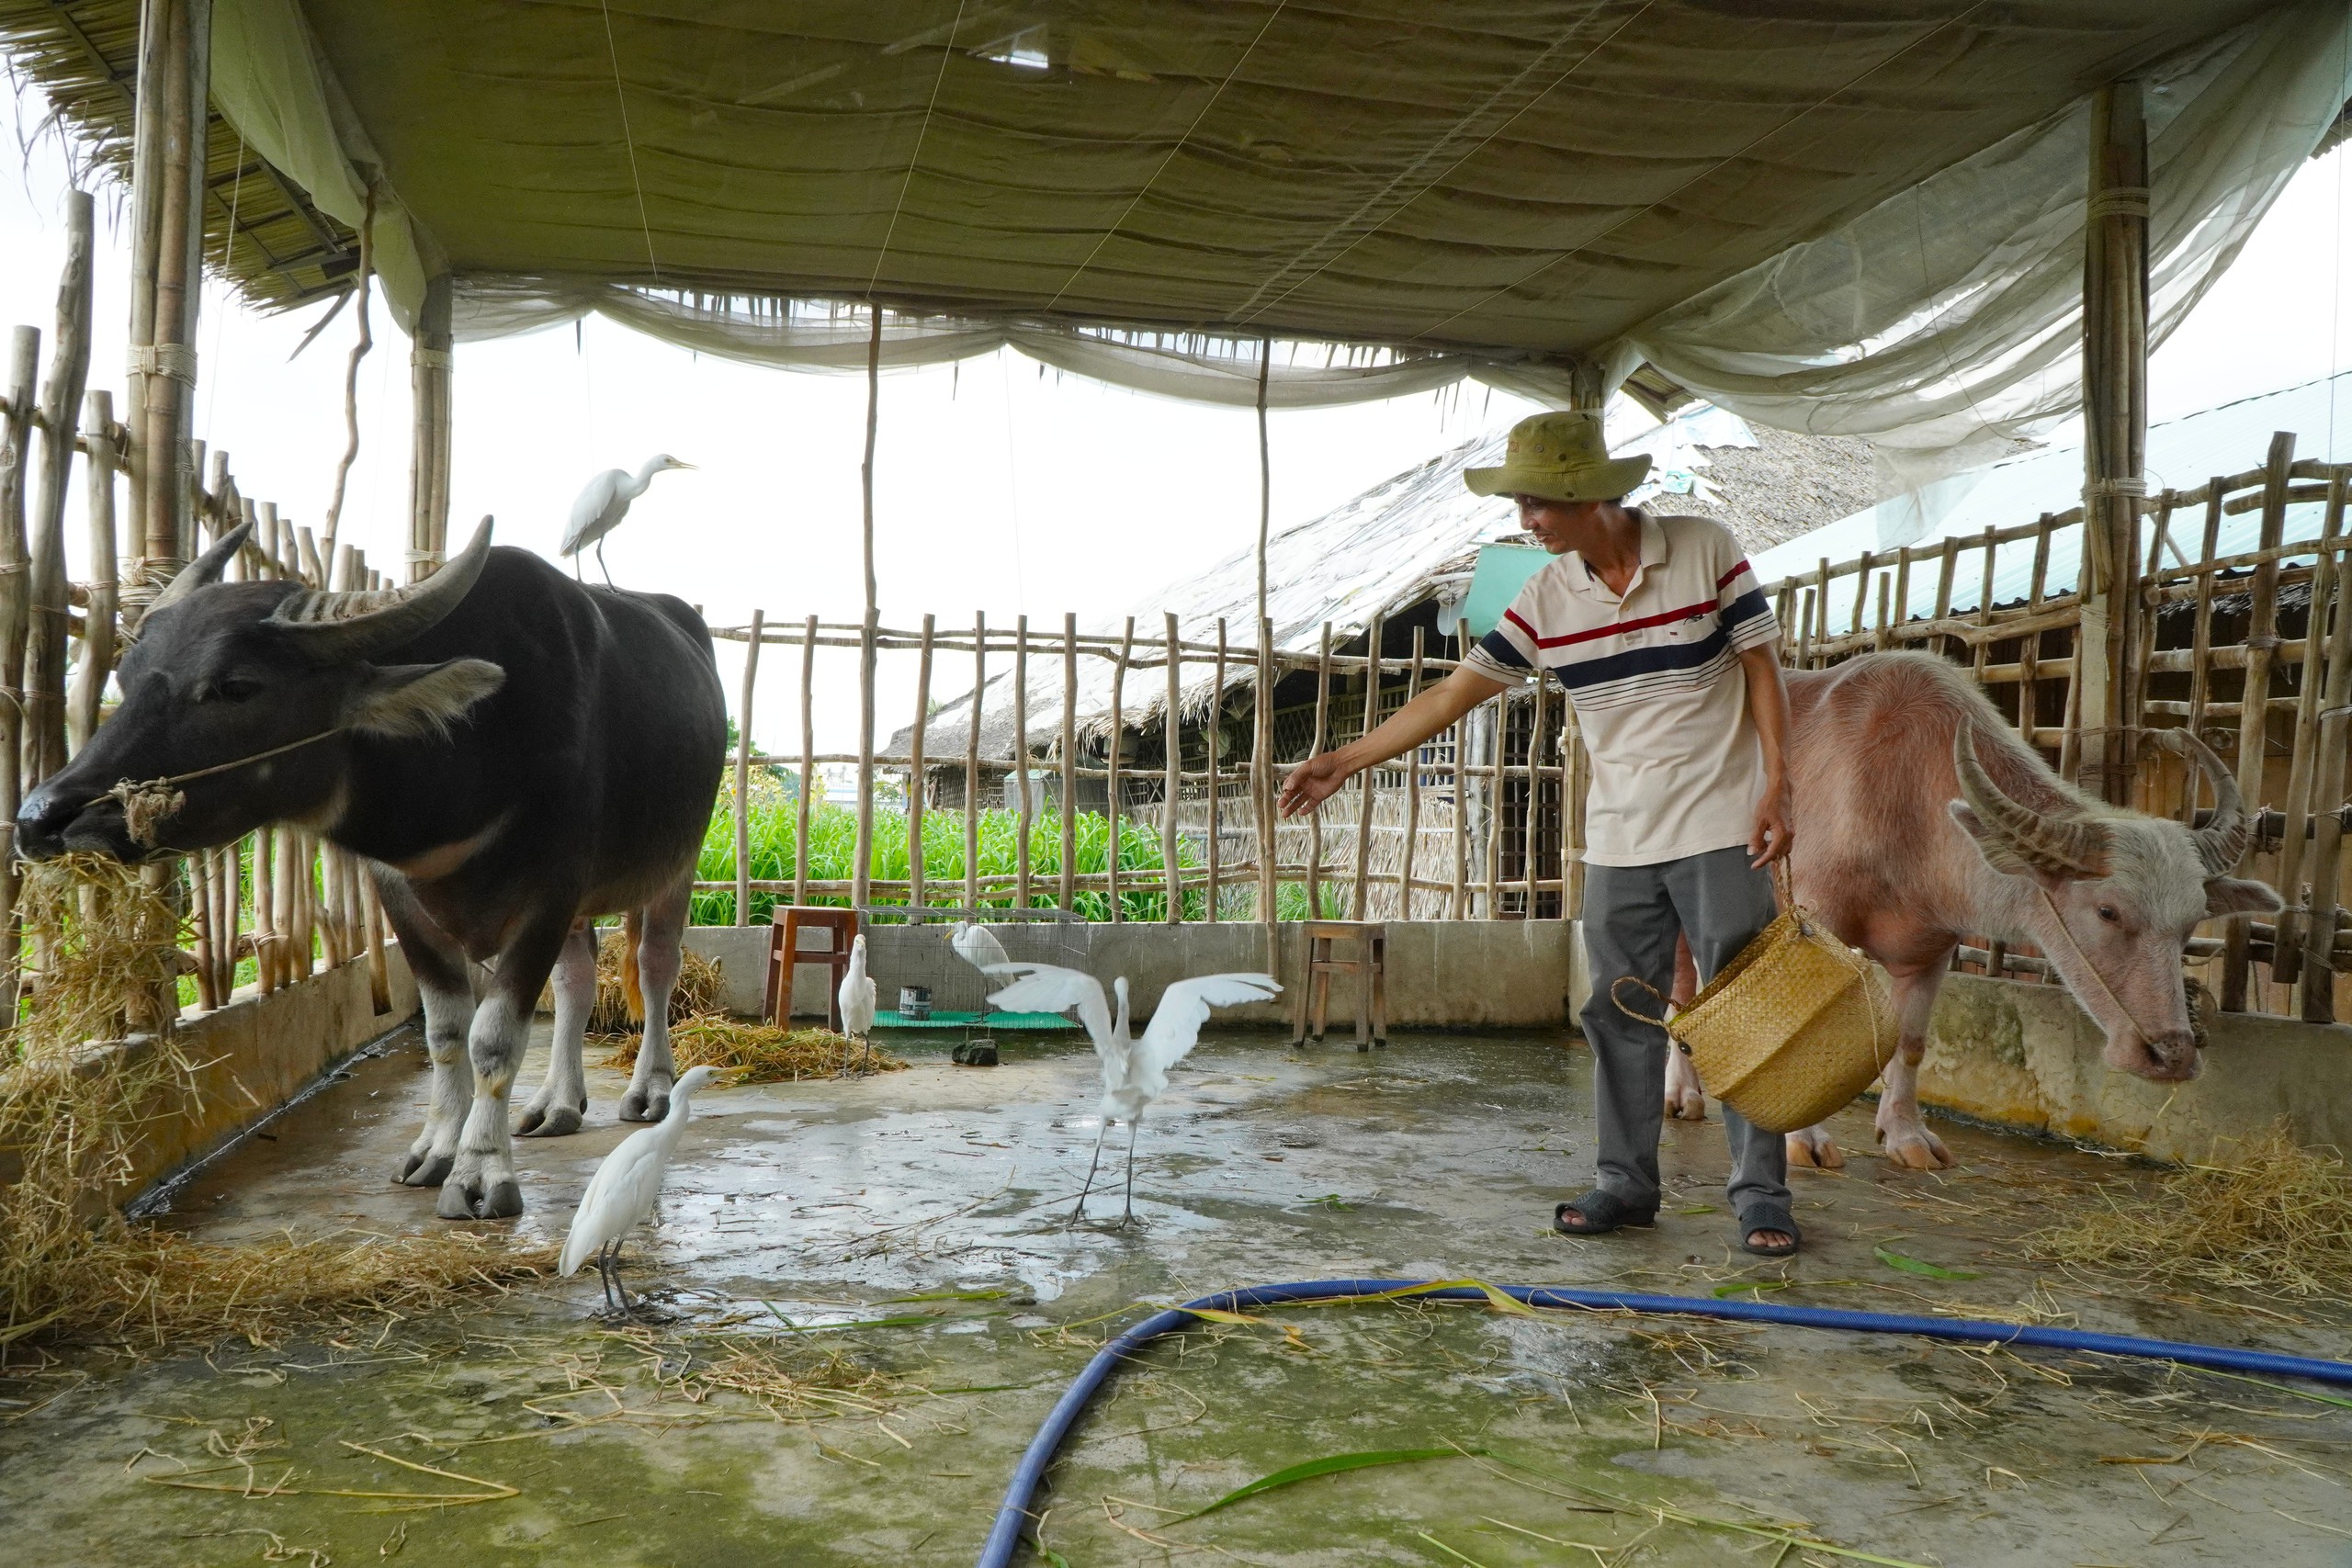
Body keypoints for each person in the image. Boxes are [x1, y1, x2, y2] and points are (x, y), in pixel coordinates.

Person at [1277, 409, 1800, 1256]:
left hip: (1721, 821)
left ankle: (1762, 1195)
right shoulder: (1549, 595)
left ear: (1585, 493)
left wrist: (1779, 783)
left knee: (1741, 1005)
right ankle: (1625, 1185)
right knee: (1617, 1011)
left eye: (1535, 503)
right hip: (1621, 838)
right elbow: (1454, 694)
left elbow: (1761, 667)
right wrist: (1349, 756)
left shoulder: (1706, 548)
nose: (1525, 519)